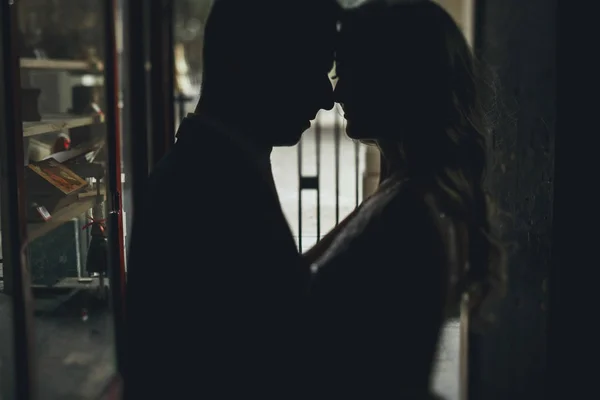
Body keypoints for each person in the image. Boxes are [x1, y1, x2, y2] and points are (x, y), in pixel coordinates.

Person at [125, 0, 339, 398]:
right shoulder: (209, 190)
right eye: (316, 69)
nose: (327, 98)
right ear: (261, 63)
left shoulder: (214, 168)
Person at [309, 1, 507, 398]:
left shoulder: (409, 212)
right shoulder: (401, 193)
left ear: (398, 79)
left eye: (350, 73)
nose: (336, 91)